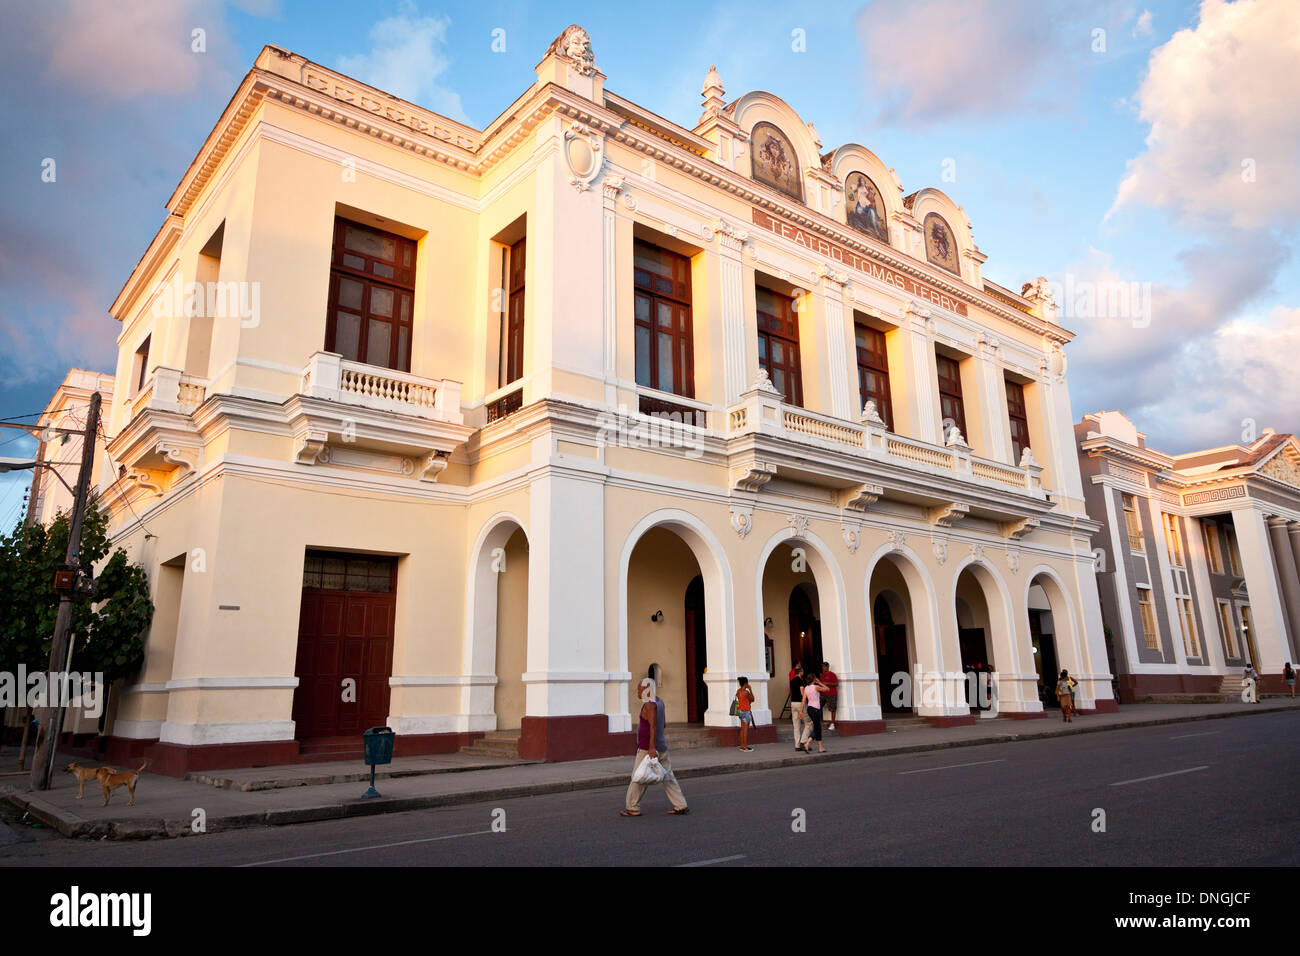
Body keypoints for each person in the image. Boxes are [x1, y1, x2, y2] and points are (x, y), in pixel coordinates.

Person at [622, 677, 689, 816]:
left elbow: (653, 727)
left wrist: (652, 748)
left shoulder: (650, 705)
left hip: (648, 748)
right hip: (661, 746)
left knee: (638, 777)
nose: (638, 692)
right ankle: (680, 805)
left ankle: (632, 807)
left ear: (647, 689)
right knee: (668, 776)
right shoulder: (659, 702)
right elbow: (663, 724)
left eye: (640, 689)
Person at [802, 671, 830, 753]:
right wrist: (820, 682)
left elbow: (803, 700)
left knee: (817, 727)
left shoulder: (806, 688)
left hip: (809, 709)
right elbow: (827, 689)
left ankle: (820, 748)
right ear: (814, 679)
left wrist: (801, 711)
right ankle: (807, 743)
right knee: (817, 728)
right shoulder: (816, 687)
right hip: (816, 709)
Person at [790, 664, 810, 752]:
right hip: (800, 703)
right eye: (802, 671)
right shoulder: (800, 681)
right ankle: (804, 742)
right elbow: (802, 692)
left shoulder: (792, 681)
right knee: (809, 723)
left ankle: (797, 745)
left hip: (793, 703)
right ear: (800, 672)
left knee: (796, 726)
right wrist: (806, 700)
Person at [735, 676, 756, 751]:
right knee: (745, 730)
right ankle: (745, 747)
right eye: (747, 683)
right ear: (745, 683)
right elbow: (753, 699)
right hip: (745, 712)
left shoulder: (738, 691)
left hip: (740, 711)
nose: (748, 684)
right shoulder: (746, 692)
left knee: (742, 729)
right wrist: (750, 689)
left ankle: (742, 745)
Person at [820, 662, 839, 730]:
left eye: (824, 666)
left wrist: (827, 683)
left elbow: (836, 684)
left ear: (828, 667)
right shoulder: (821, 675)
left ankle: (832, 724)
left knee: (832, 709)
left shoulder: (832, 674)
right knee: (818, 707)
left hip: (831, 694)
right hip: (823, 694)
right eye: (822, 666)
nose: (823, 668)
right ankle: (818, 722)